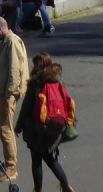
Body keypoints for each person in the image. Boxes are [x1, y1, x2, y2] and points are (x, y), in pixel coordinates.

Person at [20, 56, 78, 192]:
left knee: (36, 161)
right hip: (55, 128)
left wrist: (18, 126)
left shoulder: (35, 84)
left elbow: (26, 108)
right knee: (51, 159)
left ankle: (38, 189)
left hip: (37, 129)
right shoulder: (56, 82)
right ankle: (65, 185)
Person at [0, 12, 29, 186]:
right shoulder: (7, 41)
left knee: (6, 130)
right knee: (6, 129)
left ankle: (11, 166)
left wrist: (9, 93)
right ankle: (9, 163)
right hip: (5, 92)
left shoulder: (11, 42)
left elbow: (14, 69)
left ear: (0, 28)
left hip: (7, 93)